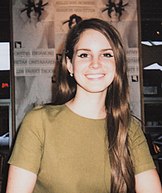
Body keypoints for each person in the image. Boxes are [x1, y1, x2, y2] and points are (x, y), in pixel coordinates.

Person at [6, 18, 162, 193]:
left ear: (117, 65)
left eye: (107, 54)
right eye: (84, 55)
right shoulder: (38, 122)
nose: (95, 63)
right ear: (70, 65)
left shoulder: (130, 128)